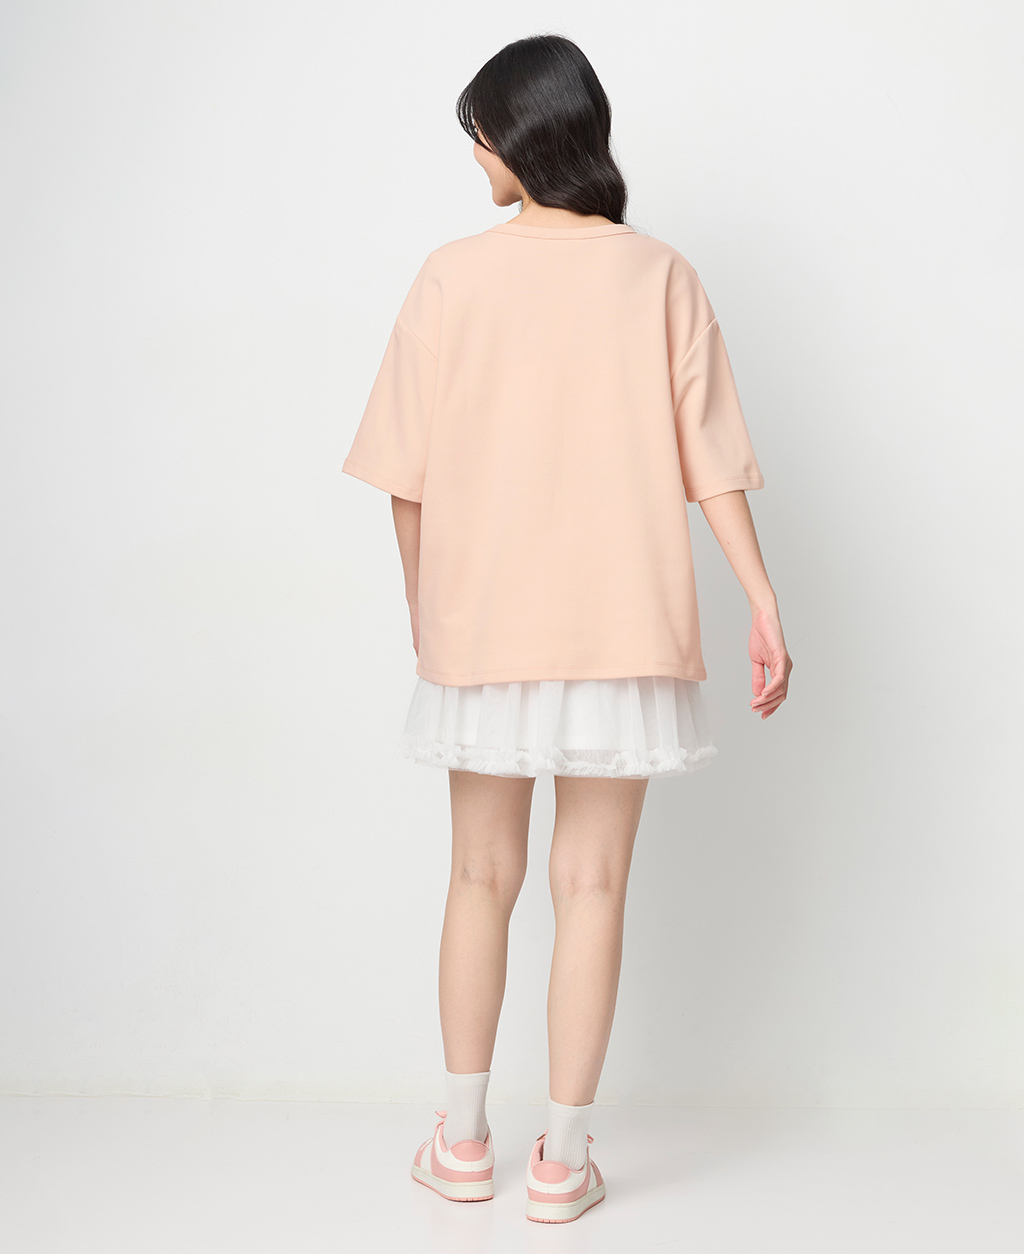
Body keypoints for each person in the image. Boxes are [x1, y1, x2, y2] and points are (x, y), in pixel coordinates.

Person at [343, 33, 793, 1224]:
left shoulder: (452, 277)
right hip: (623, 626)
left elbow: (404, 478)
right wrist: (759, 597)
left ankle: (460, 1144)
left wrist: (425, 603)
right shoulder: (659, 275)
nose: (474, 157)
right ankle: (563, 1162)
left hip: (484, 622)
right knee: (591, 884)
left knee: (477, 875)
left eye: (479, 134)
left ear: (517, 134)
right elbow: (712, 460)